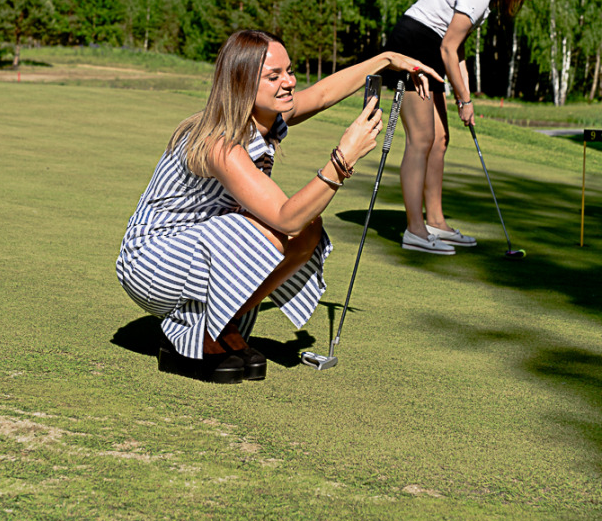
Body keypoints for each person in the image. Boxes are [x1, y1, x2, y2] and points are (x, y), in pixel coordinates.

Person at [117, 29, 437, 383]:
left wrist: (387, 60)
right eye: (274, 76)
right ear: (242, 83)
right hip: (151, 263)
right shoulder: (219, 142)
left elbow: (325, 92)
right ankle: (194, 336)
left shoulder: (264, 116)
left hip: (192, 247)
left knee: (308, 229)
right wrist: (344, 156)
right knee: (281, 227)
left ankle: (220, 327)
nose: (289, 82)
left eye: (289, 71)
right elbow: (286, 217)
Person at [384, 0, 550, 255]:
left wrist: (467, 96)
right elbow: (449, 47)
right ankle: (414, 230)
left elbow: (455, 51)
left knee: (439, 140)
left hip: (430, 49)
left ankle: (435, 222)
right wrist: (463, 100)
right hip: (411, 47)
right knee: (421, 140)